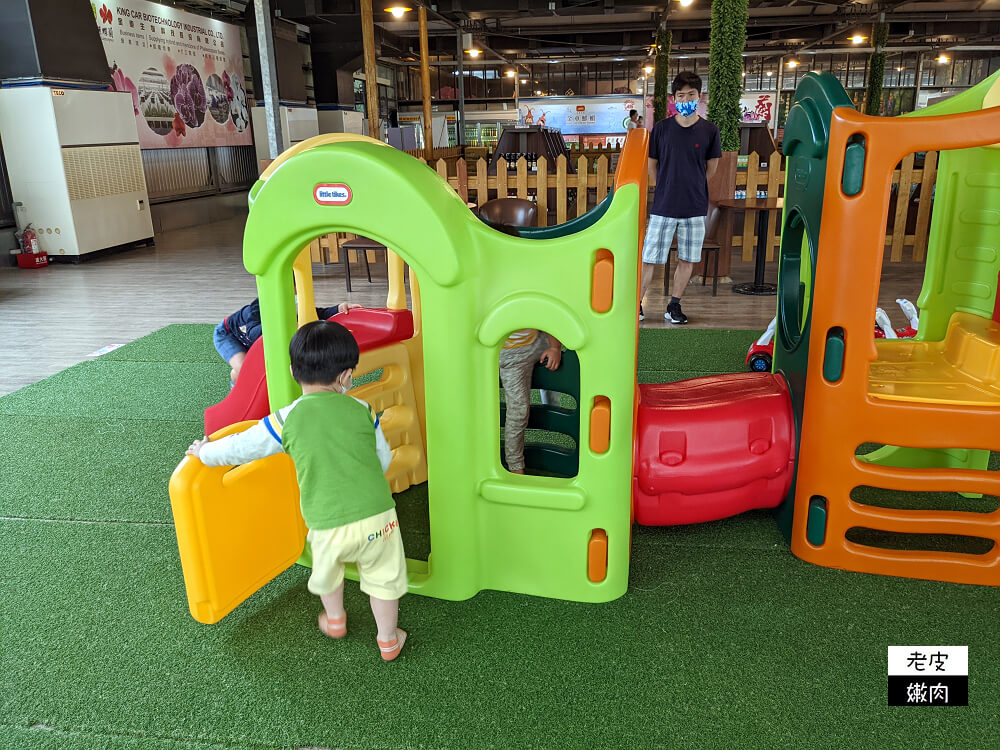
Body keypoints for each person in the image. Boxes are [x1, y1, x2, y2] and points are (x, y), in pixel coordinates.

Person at [187, 320, 409, 661]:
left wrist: (204, 452)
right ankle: (388, 640)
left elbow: (243, 446)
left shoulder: (287, 419)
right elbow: (381, 460)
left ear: (293, 371)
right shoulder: (363, 410)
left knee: (330, 570)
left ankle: (335, 620)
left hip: (325, 520)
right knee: (383, 580)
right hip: (377, 516)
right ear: (347, 376)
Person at [639, 72, 721, 325]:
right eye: (681, 95)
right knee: (649, 258)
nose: (686, 98)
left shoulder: (709, 130)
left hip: (695, 207)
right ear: (674, 99)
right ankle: (637, 305)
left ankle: (674, 305)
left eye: (691, 94)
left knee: (688, 259)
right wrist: (663, 186)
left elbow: (712, 168)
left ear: (699, 97)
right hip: (664, 205)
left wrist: (693, 185)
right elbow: (652, 164)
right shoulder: (661, 129)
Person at [214, 297, 361, 383]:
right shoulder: (258, 307)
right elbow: (253, 333)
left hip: (256, 342)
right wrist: (285, 325)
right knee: (244, 369)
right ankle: (236, 394)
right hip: (229, 334)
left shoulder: (289, 303)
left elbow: (315, 313)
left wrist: (339, 308)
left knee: (262, 370)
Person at [500, 327, 563, 475]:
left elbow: (548, 315)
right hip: (509, 356)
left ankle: (554, 406)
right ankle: (515, 466)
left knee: (573, 349)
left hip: (536, 342)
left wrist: (555, 347)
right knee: (518, 412)